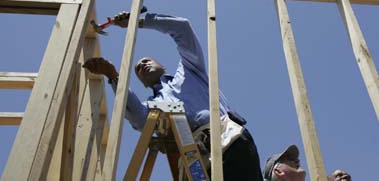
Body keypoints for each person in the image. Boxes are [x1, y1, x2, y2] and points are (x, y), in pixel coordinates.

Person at [83, 11, 262, 181]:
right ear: (144, 84)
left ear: (163, 66)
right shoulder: (155, 107)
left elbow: (183, 28)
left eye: (147, 60)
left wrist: (139, 20)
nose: (143, 64)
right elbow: (137, 116)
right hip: (198, 163)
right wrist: (114, 76)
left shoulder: (189, 71)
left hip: (230, 140)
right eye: (138, 68)